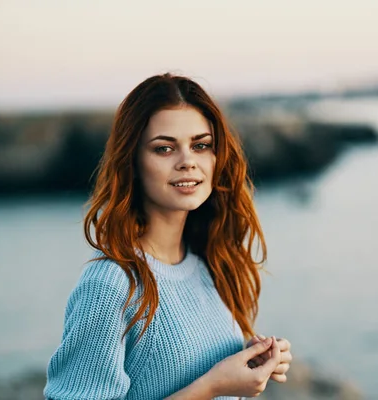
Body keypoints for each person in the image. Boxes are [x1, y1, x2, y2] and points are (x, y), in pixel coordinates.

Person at [43, 73, 292, 400]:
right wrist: (212, 386)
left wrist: (247, 360)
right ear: (132, 161)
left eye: (201, 145)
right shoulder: (110, 285)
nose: (188, 162)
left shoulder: (207, 263)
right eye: (164, 149)